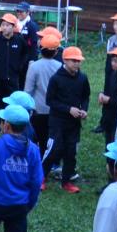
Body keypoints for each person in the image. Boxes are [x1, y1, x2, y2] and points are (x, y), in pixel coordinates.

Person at [45, 47, 91, 194]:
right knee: (54, 149)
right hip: (57, 121)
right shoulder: (56, 79)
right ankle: (41, 177)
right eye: (73, 61)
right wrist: (68, 109)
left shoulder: (82, 78)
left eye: (78, 61)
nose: (76, 64)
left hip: (74, 123)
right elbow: (50, 100)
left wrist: (84, 109)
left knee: (71, 152)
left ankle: (66, 181)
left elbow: (85, 96)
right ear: (64, 60)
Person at [24, 34, 62, 146]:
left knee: (37, 140)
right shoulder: (60, 66)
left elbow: (28, 91)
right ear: (56, 52)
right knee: (50, 141)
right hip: (55, 110)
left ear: (40, 49)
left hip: (37, 110)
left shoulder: (34, 66)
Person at [0, 14, 26, 100]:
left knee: (13, 102)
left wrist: (20, 67)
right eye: (3, 25)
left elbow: (25, 53)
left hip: (13, 78)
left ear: (13, 27)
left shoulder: (19, 40)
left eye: (7, 25)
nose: (4, 27)